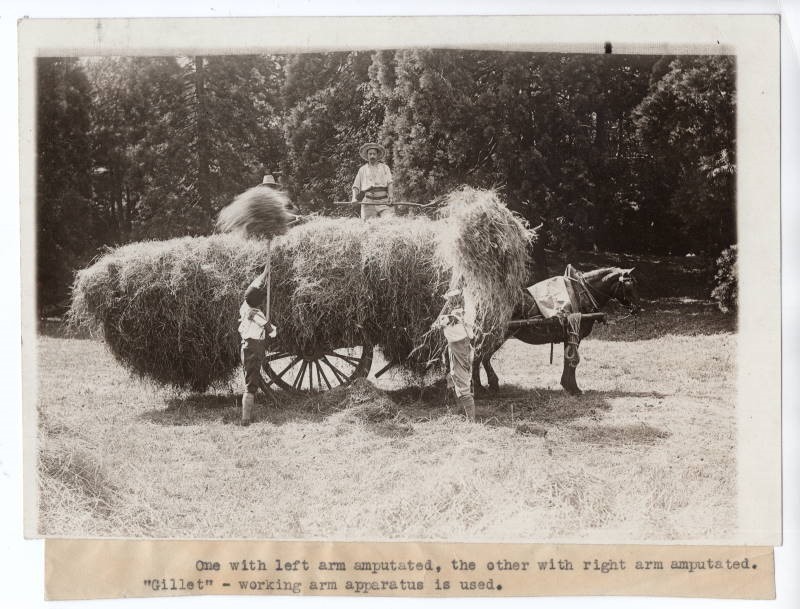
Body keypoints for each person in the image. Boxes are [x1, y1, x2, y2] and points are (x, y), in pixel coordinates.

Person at [238, 263, 276, 426]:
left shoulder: (244, 308)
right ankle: (245, 420)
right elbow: (273, 333)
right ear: (260, 302)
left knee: (250, 380)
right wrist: (269, 324)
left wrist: (264, 273)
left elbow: (253, 286)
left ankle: (246, 418)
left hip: (246, 346)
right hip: (254, 349)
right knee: (251, 385)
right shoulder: (258, 315)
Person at [432, 288, 476, 422]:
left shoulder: (460, 314)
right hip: (455, 347)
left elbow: (448, 320)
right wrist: (438, 324)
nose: (450, 302)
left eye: (453, 299)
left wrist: (438, 323)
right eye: (450, 300)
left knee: (461, 382)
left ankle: (471, 420)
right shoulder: (456, 313)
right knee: (455, 378)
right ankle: (463, 412)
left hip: (460, 348)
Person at [351, 142, 394, 220]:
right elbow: (356, 186)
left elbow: (390, 183)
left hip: (383, 202)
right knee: (369, 225)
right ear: (367, 156)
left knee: (389, 221)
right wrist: (354, 198)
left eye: (374, 154)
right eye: (370, 154)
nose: (372, 156)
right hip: (368, 202)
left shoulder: (385, 168)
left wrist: (391, 197)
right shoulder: (362, 170)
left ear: (377, 155)